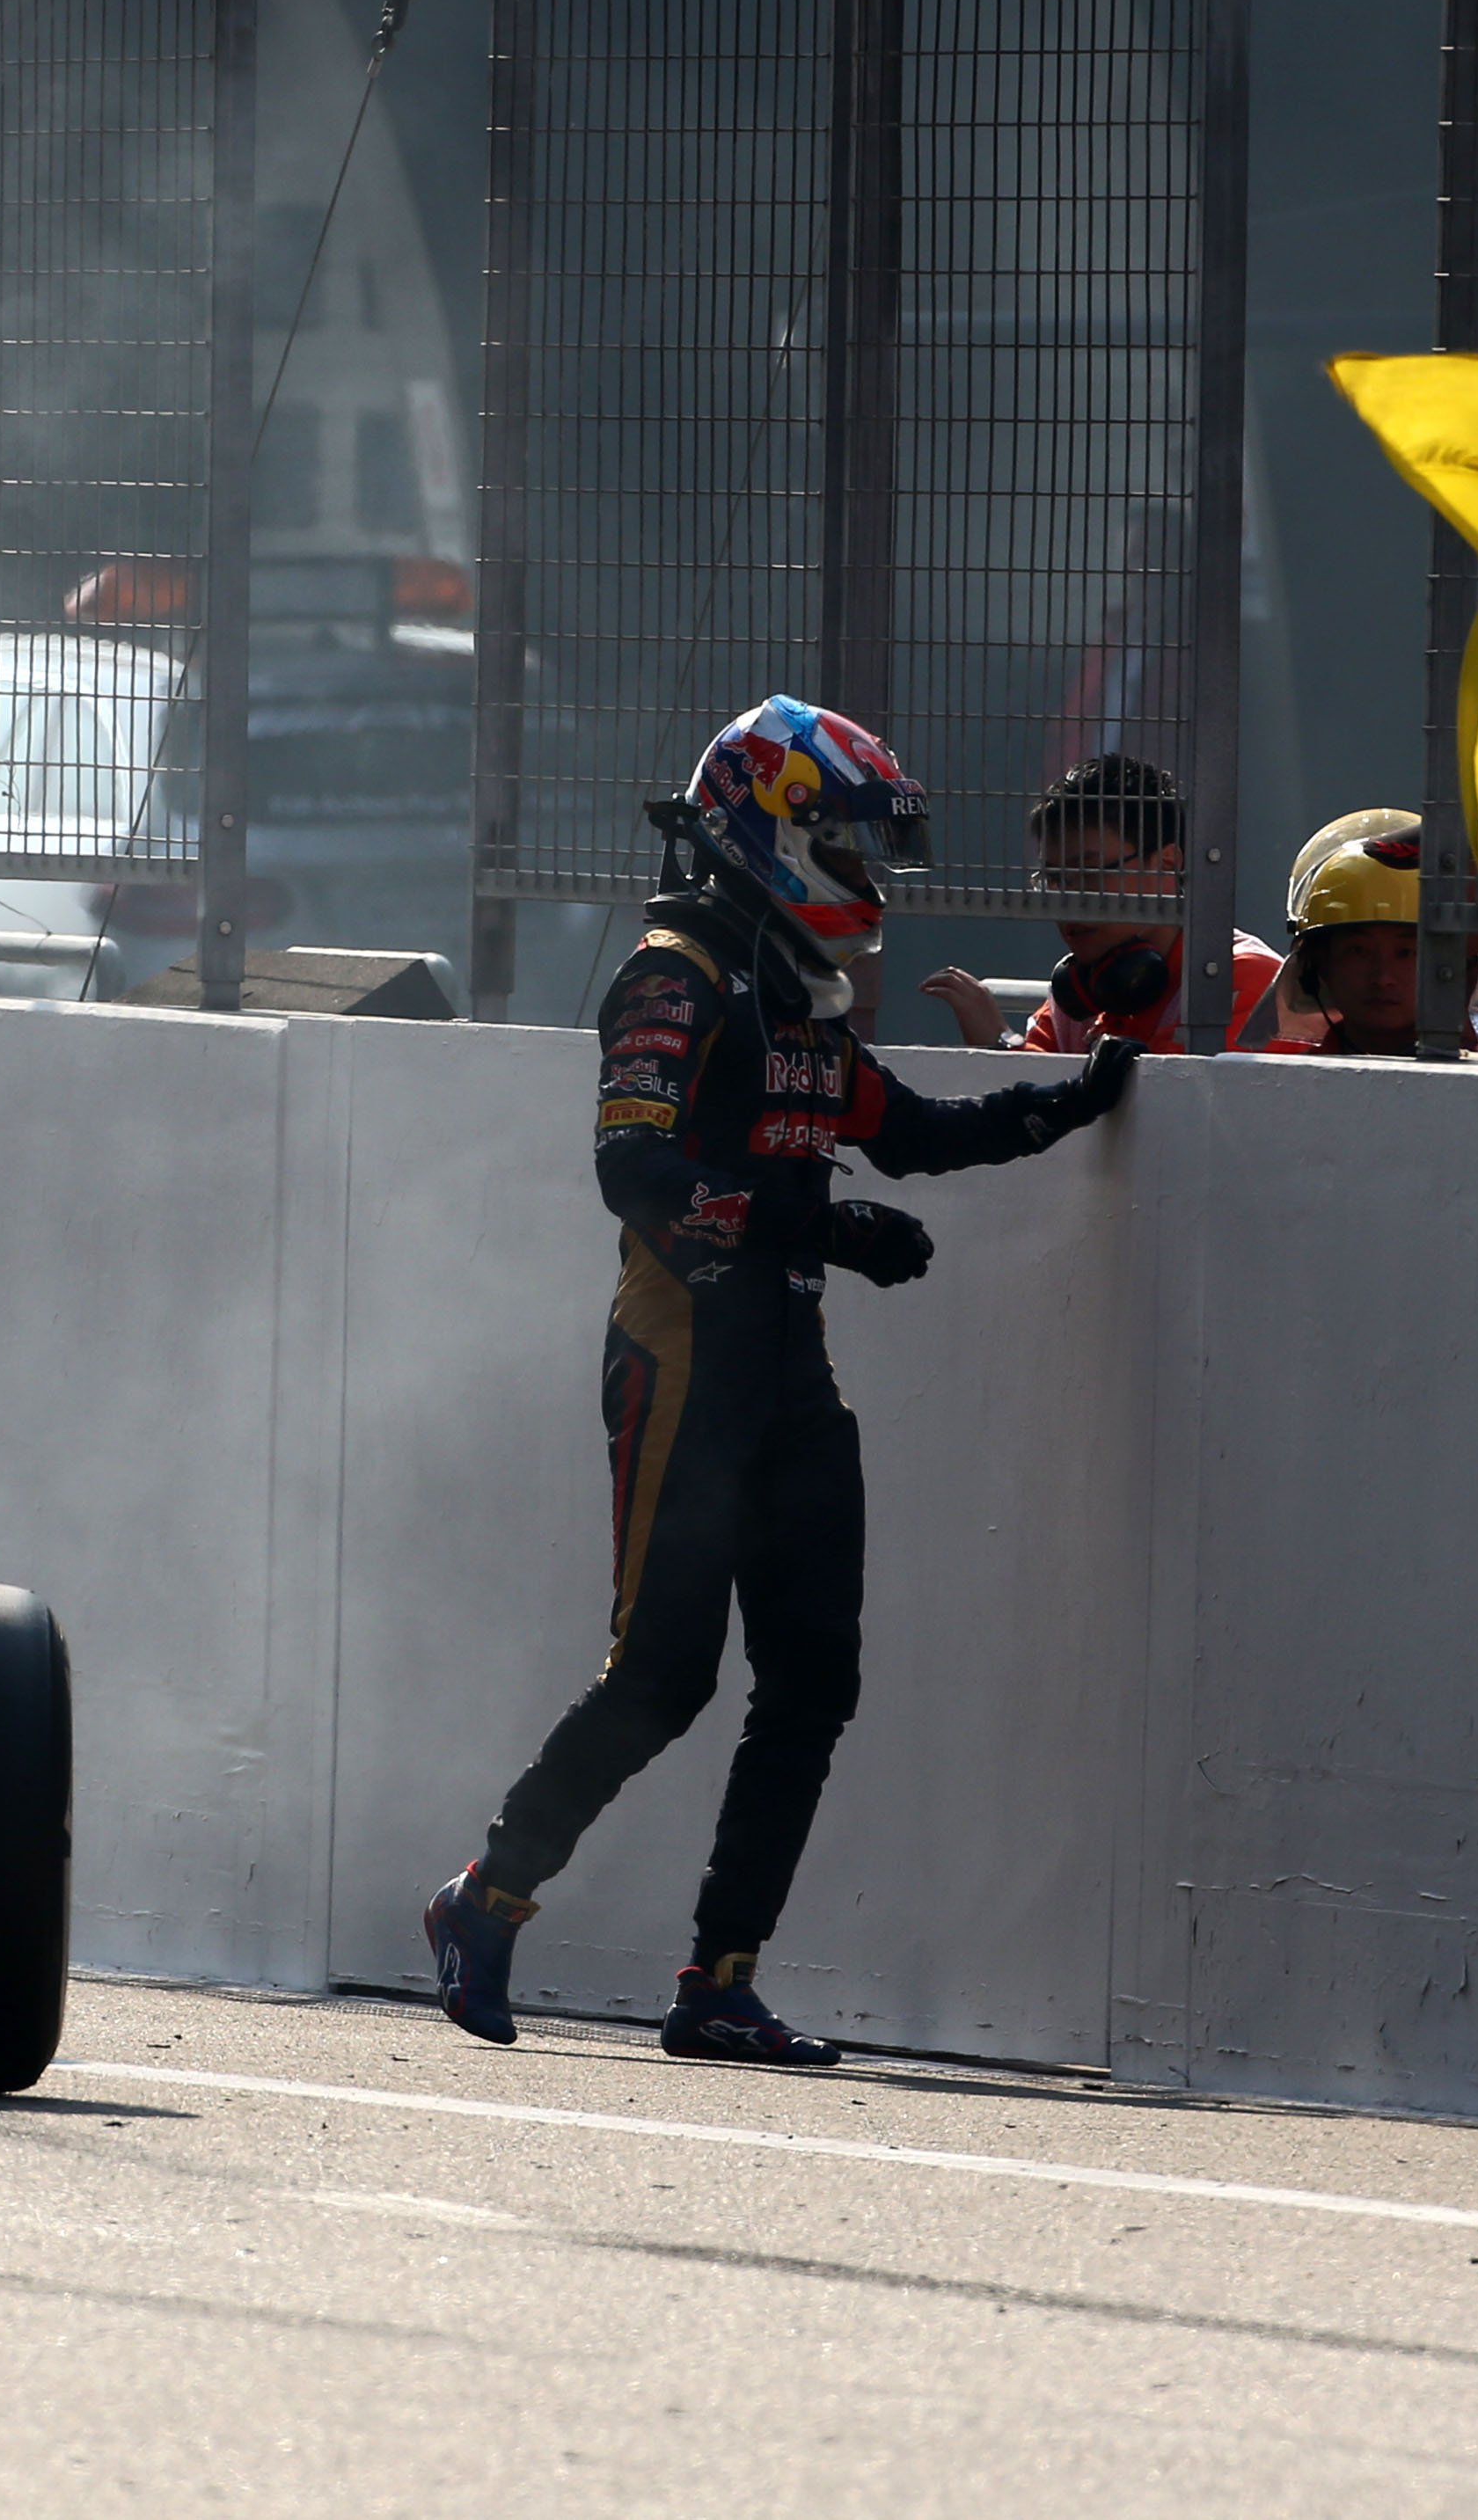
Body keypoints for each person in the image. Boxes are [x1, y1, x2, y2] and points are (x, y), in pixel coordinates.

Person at [420, 697, 1138, 2067]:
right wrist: (822, 1226)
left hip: (791, 1372)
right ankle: (484, 1899)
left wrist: (1071, 1101)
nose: (873, 874)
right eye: (851, 842)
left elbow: (910, 1134)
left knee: (812, 1679)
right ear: (775, 826)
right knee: (664, 1676)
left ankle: (719, 1982)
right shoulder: (674, 974)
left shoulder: (795, 991)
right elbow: (635, 1178)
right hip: (683, 1359)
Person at [917, 749, 1285, 1055]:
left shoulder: (1247, 981)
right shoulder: (1082, 991)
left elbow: (1161, 1118)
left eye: (1089, 873)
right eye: (1056, 879)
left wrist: (1000, 1044)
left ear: (1168, 864)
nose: (1068, 899)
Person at [1276, 808, 1427, 1055]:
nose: (1382, 977)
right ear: (1319, 966)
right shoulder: (1293, 1085)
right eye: (1359, 951)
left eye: (1406, 953)